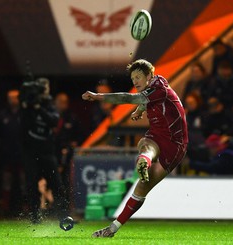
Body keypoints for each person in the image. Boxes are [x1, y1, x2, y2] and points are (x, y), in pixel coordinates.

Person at [82, 59, 188, 238]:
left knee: (142, 187)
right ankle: (112, 229)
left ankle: (144, 160)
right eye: (133, 79)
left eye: (138, 77)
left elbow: (127, 97)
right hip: (157, 134)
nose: (135, 82)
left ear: (148, 76)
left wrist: (98, 96)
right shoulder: (157, 83)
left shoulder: (159, 88)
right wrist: (141, 109)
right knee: (144, 145)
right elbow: (147, 97)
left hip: (175, 144)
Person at [19, 78, 73, 230]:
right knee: (32, 185)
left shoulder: (49, 105)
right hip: (31, 151)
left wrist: (39, 108)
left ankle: (63, 215)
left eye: (45, 88)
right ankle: (35, 216)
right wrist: (30, 104)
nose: (44, 91)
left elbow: (53, 121)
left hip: (47, 151)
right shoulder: (28, 106)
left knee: (57, 184)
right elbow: (24, 124)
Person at [0, 89, 24, 216]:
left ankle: (26, 209)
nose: (13, 100)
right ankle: (5, 209)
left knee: (24, 183)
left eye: (15, 97)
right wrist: (2, 148)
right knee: (6, 183)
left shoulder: (24, 114)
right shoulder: (2, 115)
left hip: (22, 155)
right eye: (10, 98)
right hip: (7, 155)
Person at [54, 92, 81, 203]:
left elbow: (79, 135)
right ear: (55, 103)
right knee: (53, 179)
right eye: (60, 102)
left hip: (68, 155)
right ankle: (51, 205)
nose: (63, 104)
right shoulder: (50, 116)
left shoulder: (72, 118)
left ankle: (66, 205)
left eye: (65, 102)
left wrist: (74, 143)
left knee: (67, 181)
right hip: (53, 153)